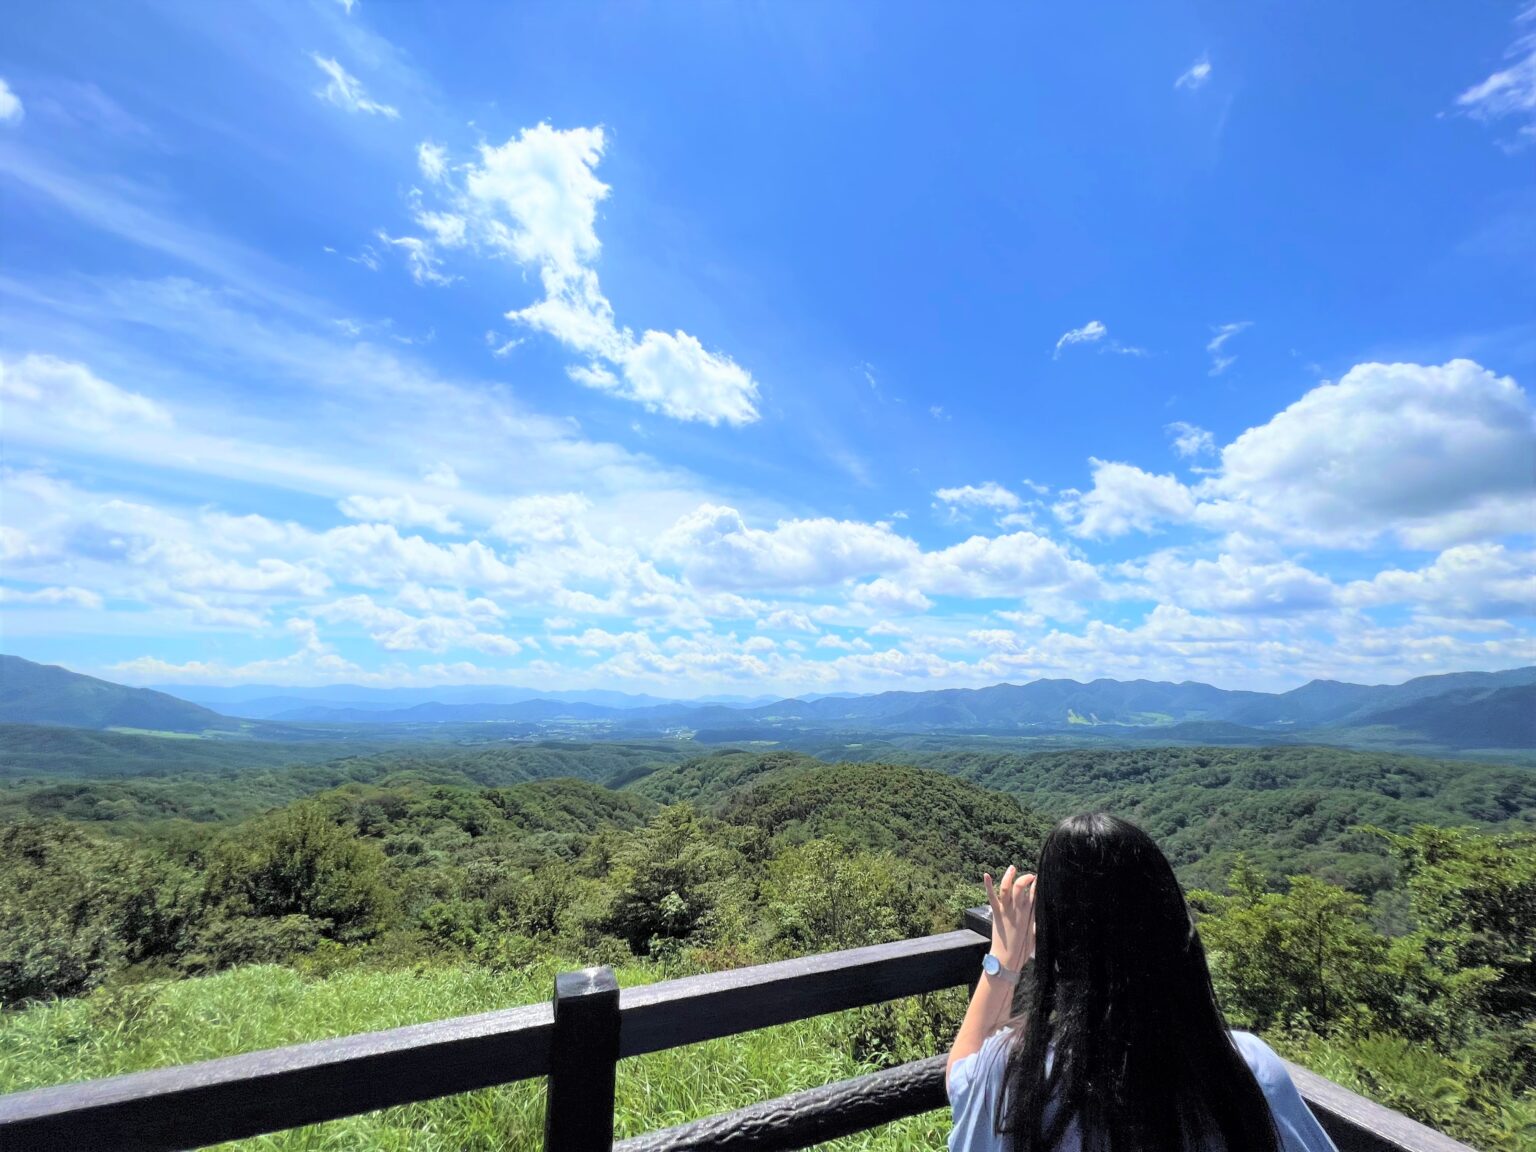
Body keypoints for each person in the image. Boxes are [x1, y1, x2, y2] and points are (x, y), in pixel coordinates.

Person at [947, 812, 1339, 1152]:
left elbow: (960, 1078)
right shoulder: (1247, 1069)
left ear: (1056, 939)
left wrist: (1003, 960)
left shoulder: (1015, 1077)